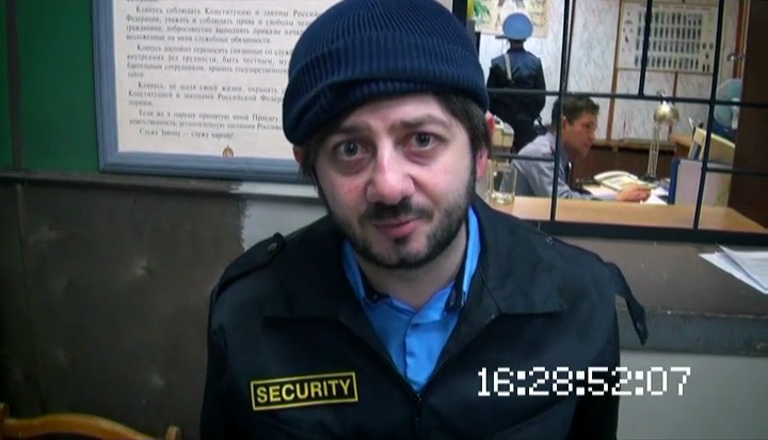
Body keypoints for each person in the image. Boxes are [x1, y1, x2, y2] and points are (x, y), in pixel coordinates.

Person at [200, 0, 648, 438]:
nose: (389, 186)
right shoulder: (249, 315)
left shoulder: (577, 302)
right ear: (312, 168)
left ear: (480, 148)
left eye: (422, 139)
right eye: (350, 149)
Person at [514, 96, 652, 202]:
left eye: (593, 130)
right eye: (587, 127)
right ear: (563, 124)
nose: (592, 136)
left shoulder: (558, 153)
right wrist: (616, 198)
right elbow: (561, 202)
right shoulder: (542, 154)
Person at [486, 12, 546, 151]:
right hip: (526, 123)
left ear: (507, 37)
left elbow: (489, 96)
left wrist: (499, 114)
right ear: (525, 38)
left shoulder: (498, 63)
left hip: (503, 123)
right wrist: (530, 115)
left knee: (501, 157)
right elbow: (541, 97)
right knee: (524, 157)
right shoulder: (535, 63)